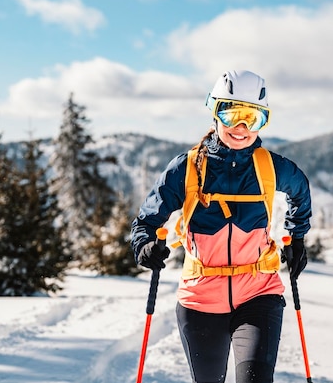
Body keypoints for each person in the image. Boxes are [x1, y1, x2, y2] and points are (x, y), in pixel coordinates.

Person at [131, 70, 312, 383]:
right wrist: (144, 246)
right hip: (200, 299)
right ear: (214, 112)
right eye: (232, 115)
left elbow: (300, 190)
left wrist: (296, 238)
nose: (241, 128)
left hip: (259, 292)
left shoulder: (271, 166)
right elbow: (147, 220)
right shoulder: (186, 168)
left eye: (252, 118)